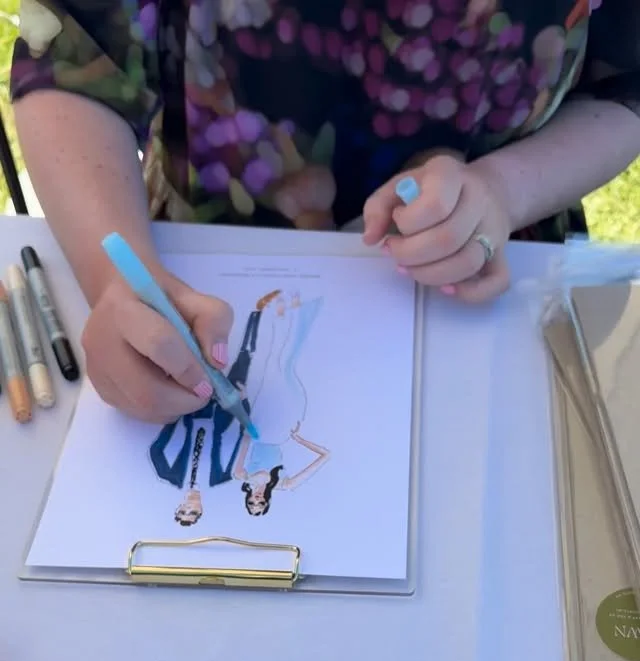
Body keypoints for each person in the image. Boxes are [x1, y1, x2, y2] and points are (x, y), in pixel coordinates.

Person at [10, 1, 640, 426]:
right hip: (194, 270)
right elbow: (73, 54)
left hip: (492, 277)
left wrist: (503, 189)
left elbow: (625, 82)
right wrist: (116, 278)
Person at [149, 287, 280, 514]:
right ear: (201, 510)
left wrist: (174, 418)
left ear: (179, 506)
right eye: (193, 513)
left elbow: (157, 449)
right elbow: (239, 441)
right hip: (226, 411)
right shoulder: (222, 478)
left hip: (194, 405)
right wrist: (244, 402)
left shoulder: (167, 473)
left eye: (183, 511)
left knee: (199, 353)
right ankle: (258, 312)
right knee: (245, 357)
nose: (189, 507)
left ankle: (256, 313)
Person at [231, 291, 330, 515]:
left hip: (261, 422)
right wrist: (298, 439)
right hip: (285, 425)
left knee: (276, 364)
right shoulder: (285, 484)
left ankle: (289, 313)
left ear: (247, 499)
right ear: (267, 503)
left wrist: (245, 400)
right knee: (284, 364)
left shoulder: (241, 474)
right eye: (261, 505)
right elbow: (326, 455)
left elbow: (246, 435)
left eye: (251, 504)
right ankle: (290, 313)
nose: (256, 501)